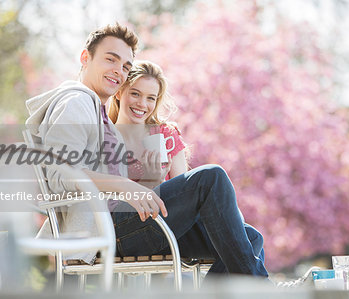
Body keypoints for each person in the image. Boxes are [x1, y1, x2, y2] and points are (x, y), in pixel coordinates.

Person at [25, 22, 269, 278]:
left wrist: (144, 182)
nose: (118, 71)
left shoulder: (98, 112)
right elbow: (59, 175)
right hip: (103, 231)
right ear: (86, 58)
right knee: (210, 178)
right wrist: (123, 184)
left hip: (121, 224)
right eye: (111, 59)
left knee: (249, 237)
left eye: (125, 66)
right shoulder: (76, 102)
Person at [108, 60, 188, 189]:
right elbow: (111, 205)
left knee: (213, 173)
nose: (142, 104)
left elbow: (185, 194)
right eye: (135, 94)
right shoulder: (105, 140)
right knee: (213, 173)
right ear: (118, 92)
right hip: (130, 209)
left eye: (150, 98)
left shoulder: (166, 134)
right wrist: (149, 182)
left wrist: (161, 184)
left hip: (171, 209)